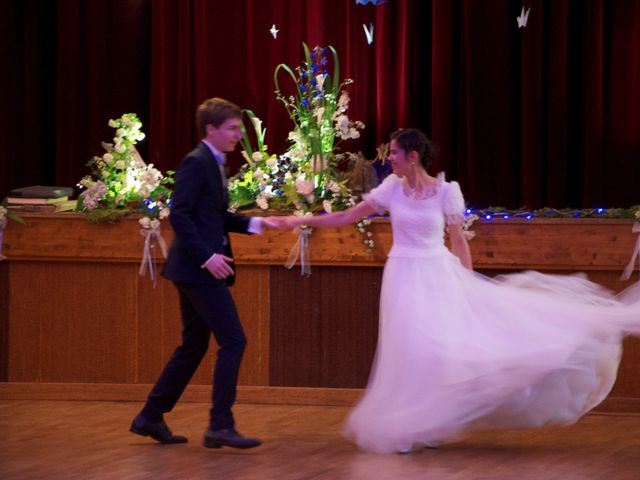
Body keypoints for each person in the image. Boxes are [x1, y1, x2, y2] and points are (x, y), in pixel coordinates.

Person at [277, 128, 640, 453]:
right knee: (409, 347)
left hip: (436, 272)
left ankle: (428, 421)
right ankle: (415, 423)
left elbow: (458, 241)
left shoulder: (446, 192)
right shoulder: (391, 189)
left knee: (441, 347)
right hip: (402, 274)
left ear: (412, 156)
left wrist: (467, 282)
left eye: (394, 153)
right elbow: (346, 216)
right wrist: (300, 220)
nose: (389, 160)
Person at [130, 97, 279, 449]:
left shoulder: (214, 163)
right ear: (210, 129)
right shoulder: (197, 162)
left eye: (239, 128)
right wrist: (208, 257)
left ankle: (151, 416)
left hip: (193, 269)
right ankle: (220, 425)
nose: (238, 135)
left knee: (193, 346)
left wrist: (257, 223)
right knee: (234, 340)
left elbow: (213, 216)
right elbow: (179, 214)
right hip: (198, 269)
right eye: (231, 129)